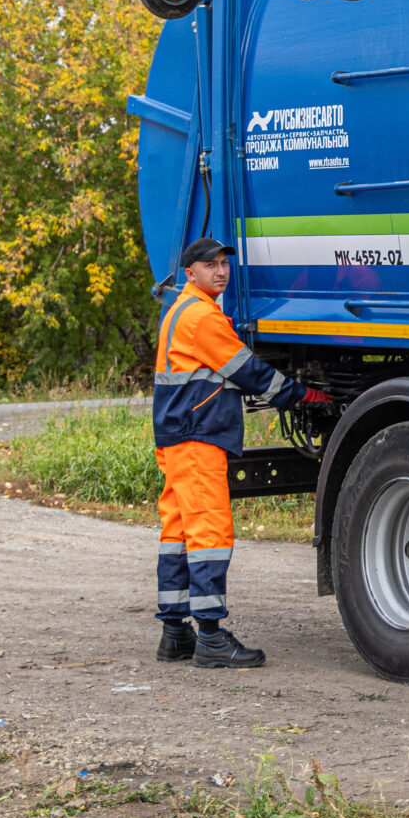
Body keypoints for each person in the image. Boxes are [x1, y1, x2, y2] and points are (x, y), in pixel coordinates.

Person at [153, 237, 330, 669]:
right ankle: (210, 638)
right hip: (198, 437)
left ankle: (175, 634)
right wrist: (302, 395)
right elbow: (248, 372)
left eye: (223, 264)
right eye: (210, 265)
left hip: (179, 436)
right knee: (209, 533)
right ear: (189, 273)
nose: (221, 271)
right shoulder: (200, 317)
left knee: (179, 531)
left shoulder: (181, 309)